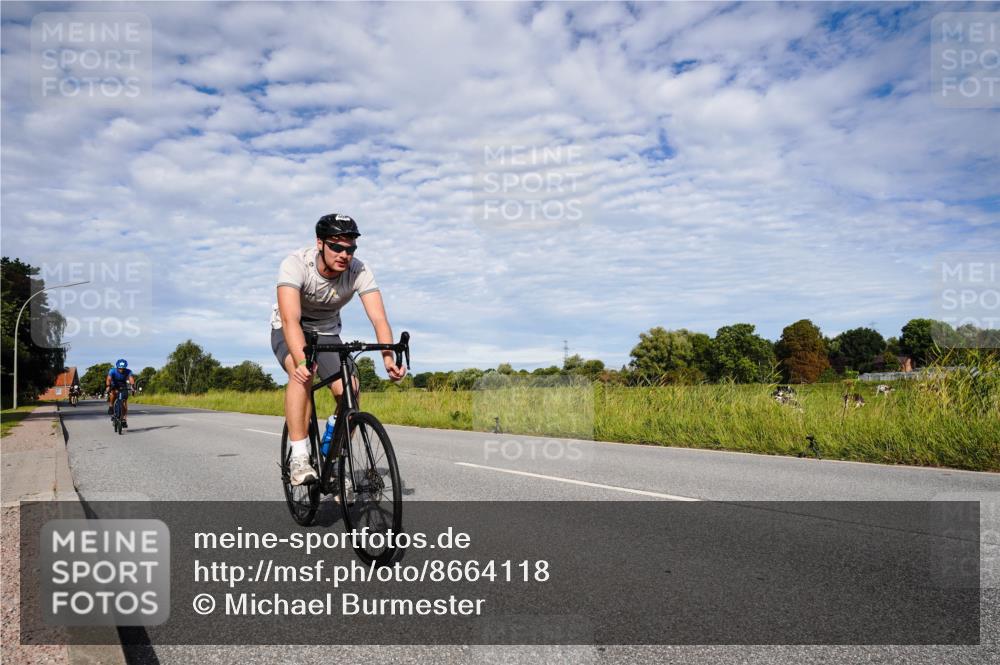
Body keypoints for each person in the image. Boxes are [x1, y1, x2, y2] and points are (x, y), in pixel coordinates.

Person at [272, 213, 406, 485]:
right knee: (303, 375)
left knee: (351, 389)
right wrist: (301, 361)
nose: (345, 254)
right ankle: (299, 456)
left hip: (328, 332)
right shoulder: (295, 264)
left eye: (351, 248)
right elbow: (290, 319)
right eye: (337, 246)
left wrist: (388, 358)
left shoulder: (359, 270)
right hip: (290, 327)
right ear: (320, 243)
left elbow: (379, 318)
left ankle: (331, 457)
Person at [106, 359, 136, 428]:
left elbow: (131, 379)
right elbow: (109, 379)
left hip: (123, 385)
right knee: (113, 393)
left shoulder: (128, 371)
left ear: (125, 367)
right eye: (120, 368)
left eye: (123, 368)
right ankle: (111, 406)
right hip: (114, 384)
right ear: (117, 367)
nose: (121, 370)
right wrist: (108, 386)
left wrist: (132, 386)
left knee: (124, 401)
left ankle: (124, 419)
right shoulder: (112, 370)